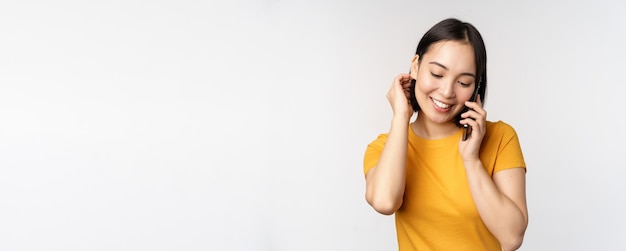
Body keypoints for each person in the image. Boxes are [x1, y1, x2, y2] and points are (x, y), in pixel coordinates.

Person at [363, 18, 528, 251]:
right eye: (438, 74)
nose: (448, 91)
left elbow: (512, 238)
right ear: (416, 67)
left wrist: (471, 160)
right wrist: (401, 115)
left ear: (476, 87)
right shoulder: (385, 148)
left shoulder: (501, 137)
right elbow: (384, 202)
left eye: (463, 82)